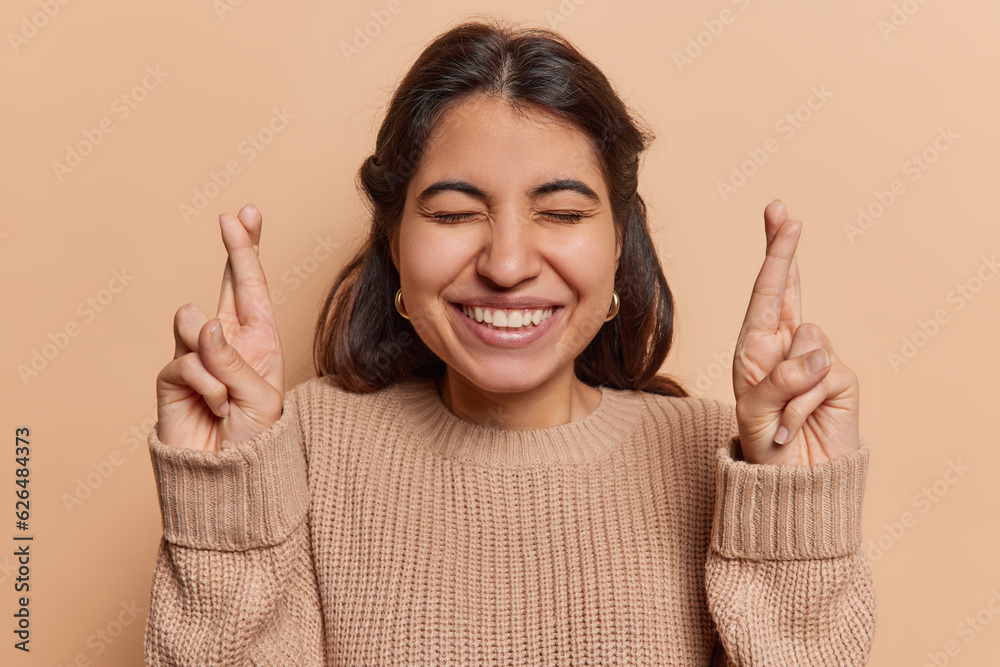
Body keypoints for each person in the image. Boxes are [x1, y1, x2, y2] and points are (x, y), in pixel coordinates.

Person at [144, 18, 875, 666]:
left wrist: (792, 514)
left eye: (560, 211)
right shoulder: (300, 444)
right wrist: (226, 501)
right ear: (395, 242)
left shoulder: (723, 460)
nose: (508, 263)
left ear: (620, 242)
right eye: (456, 213)